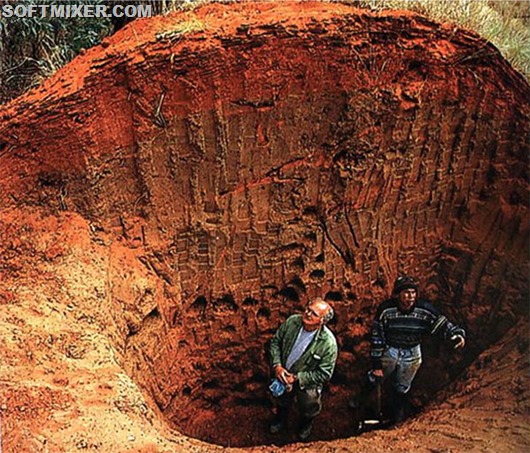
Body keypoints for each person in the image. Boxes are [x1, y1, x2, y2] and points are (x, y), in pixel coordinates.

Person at [357, 275, 466, 423]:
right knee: (376, 377)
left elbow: (442, 324)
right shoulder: (386, 310)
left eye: (413, 293)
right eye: (406, 293)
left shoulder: (425, 310)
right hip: (391, 349)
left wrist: (457, 334)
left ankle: (397, 413)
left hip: (412, 351)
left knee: (403, 385)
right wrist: (376, 364)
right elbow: (378, 336)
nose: (410, 297)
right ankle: (360, 401)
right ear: (398, 294)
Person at [268, 297, 338, 441]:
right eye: (308, 309)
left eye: (314, 314)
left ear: (322, 321)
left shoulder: (328, 344)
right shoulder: (292, 322)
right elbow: (275, 342)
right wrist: (277, 366)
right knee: (282, 399)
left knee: (309, 404)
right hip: (283, 373)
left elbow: (324, 374)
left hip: (305, 381)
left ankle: (306, 424)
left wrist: (297, 378)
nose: (307, 314)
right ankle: (280, 419)